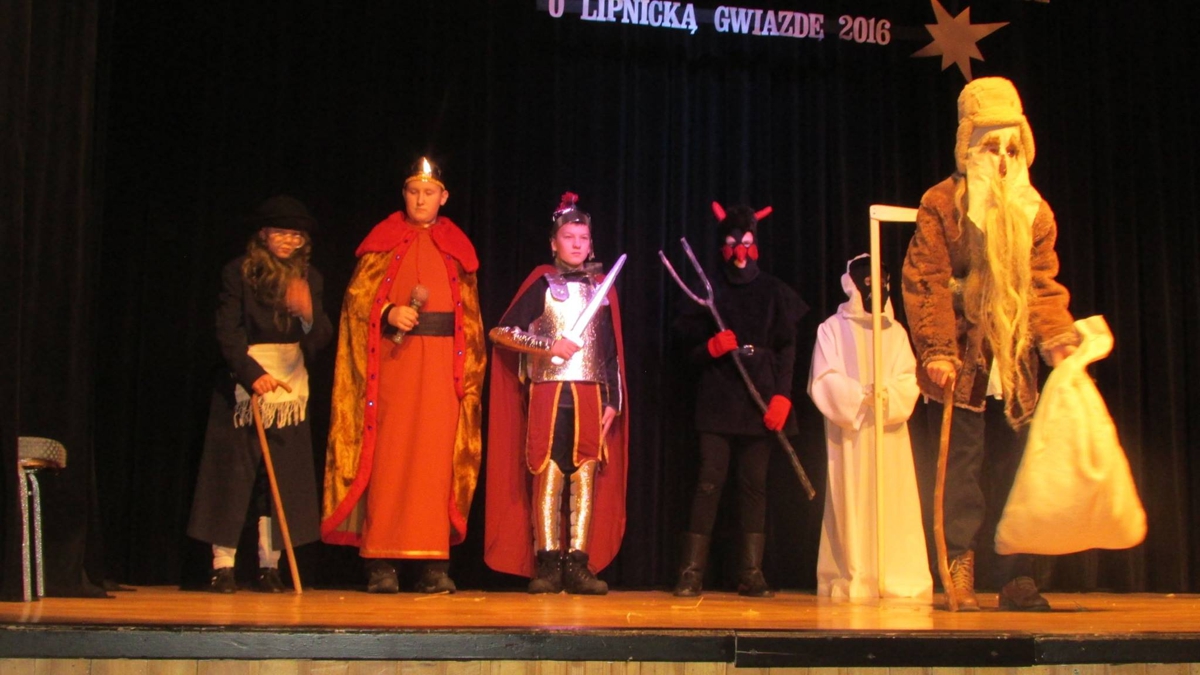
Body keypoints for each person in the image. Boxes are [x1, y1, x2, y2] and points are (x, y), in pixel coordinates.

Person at [902, 77, 1079, 611]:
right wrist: (937, 348)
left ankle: (1016, 576)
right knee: (961, 472)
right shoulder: (942, 204)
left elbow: (1042, 281)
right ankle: (958, 567)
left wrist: (1056, 336)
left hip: (1014, 358)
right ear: (969, 147)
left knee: (1017, 470)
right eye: (990, 146)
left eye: (1010, 147)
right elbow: (925, 278)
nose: (1002, 159)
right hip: (963, 360)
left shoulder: (1035, 211)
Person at [321, 157, 486, 593]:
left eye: (429, 193)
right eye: (414, 192)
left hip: (441, 370)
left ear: (443, 197)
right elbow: (356, 301)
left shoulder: (456, 247)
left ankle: (433, 565)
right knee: (390, 459)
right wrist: (388, 311)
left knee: (435, 463)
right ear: (404, 195)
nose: (420, 200)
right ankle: (381, 562)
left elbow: (471, 319)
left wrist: (466, 378)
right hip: (394, 366)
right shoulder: (383, 241)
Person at [188, 195, 333, 593]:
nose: (288, 242)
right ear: (264, 235)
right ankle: (223, 566)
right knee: (232, 477)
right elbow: (227, 331)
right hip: (244, 382)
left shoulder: (310, 278)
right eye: (280, 234)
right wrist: (253, 375)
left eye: (296, 236)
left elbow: (320, 338)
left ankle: (270, 566)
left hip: (290, 386)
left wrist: (308, 314)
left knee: (281, 481)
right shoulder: (239, 272)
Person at [485, 192, 628, 595]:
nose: (577, 244)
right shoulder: (542, 285)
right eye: (569, 237)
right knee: (547, 469)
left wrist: (614, 400)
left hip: (590, 395)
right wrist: (549, 345)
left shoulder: (601, 290)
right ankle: (547, 563)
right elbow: (501, 332)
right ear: (554, 243)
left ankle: (578, 564)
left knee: (584, 471)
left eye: (583, 237)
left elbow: (610, 352)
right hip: (549, 392)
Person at [672, 202, 807, 598]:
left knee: (754, 484)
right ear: (723, 245)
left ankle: (751, 572)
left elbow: (787, 349)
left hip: (760, 398)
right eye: (734, 242)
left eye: (747, 242)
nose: (741, 251)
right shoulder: (708, 291)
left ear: (756, 243)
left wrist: (782, 396)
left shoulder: (774, 292)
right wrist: (710, 348)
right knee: (709, 482)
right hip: (718, 399)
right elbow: (683, 350)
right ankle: (691, 571)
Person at [809, 255, 931, 599]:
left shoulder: (896, 333)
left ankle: (895, 573)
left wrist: (887, 396)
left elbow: (908, 377)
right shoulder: (832, 329)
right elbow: (824, 378)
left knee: (892, 500)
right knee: (851, 498)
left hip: (888, 434)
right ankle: (855, 571)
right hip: (851, 433)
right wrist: (859, 396)